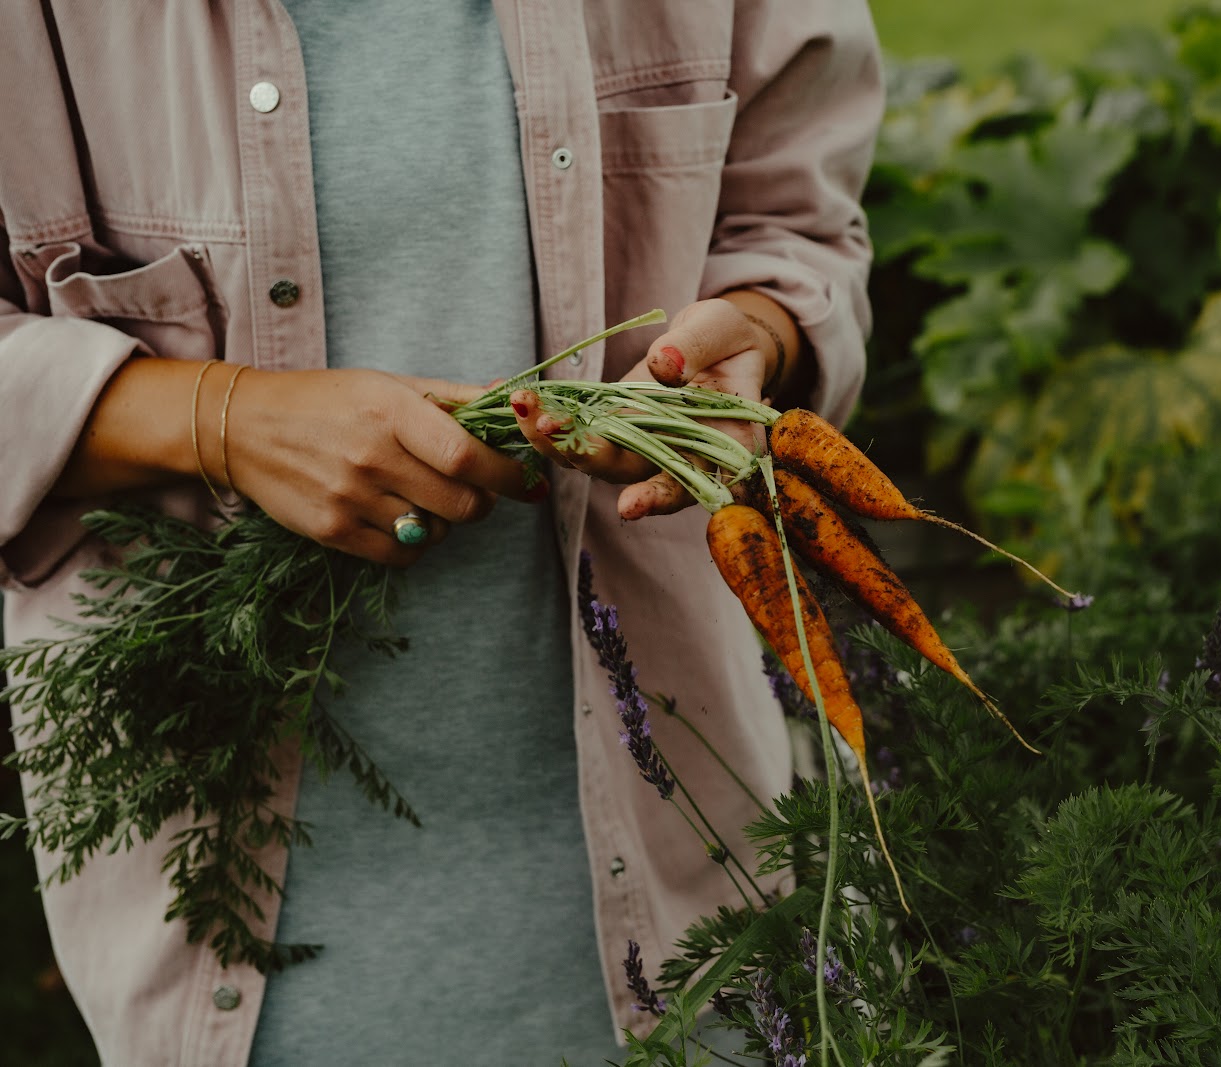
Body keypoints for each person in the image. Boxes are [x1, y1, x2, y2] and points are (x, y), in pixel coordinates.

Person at [0, 2, 882, 1063]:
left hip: (700, 889)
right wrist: (220, 417)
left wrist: (765, 332)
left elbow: (797, 222)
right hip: (248, 935)